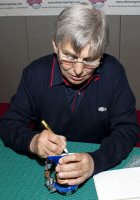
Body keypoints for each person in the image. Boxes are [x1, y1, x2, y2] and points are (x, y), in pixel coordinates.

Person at [0, 3, 139, 186]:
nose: (79, 70)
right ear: (55, 45)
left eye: (90, 60)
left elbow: (128, 129)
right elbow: (9, 124)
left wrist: (95, 161)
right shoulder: (34, 74)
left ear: (101, 55)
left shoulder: (113, 73)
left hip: (96, 160)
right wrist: (32, 141)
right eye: (70, 57)